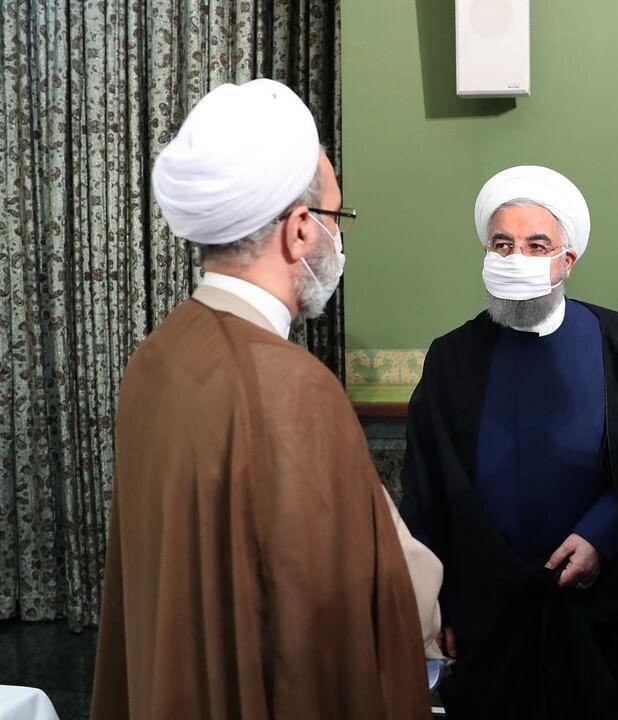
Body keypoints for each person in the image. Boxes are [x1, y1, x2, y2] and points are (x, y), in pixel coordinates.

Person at [90, 79, 440, 720]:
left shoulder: (157, 357)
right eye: (335, 219)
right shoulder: (289, 386)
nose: (338, 241)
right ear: (300, 230)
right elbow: (350, 595)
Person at [400, 165, 618, 719]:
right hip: (489, 612)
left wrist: (603, 534)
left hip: (599, 611)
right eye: (502, 244)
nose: (515, 257)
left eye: (536, 245)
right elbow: (426, 490)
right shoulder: (452, 357)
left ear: (567, 260)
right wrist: (438, 602)